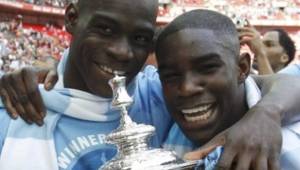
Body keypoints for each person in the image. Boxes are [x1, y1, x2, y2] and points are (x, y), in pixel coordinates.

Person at [0, 1, 299, 170]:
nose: (121, 52)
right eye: (104, 29)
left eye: (140, 39)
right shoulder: (17, 108)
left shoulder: (156, 93)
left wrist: (267, 111)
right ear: (72, 19)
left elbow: (282, 84)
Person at [155, 9, 300, 170]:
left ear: (242, 68)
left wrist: (268, 112)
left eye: (207, 68)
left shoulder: (288, 151)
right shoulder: (165, 125)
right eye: (171, 76)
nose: (187, 88)